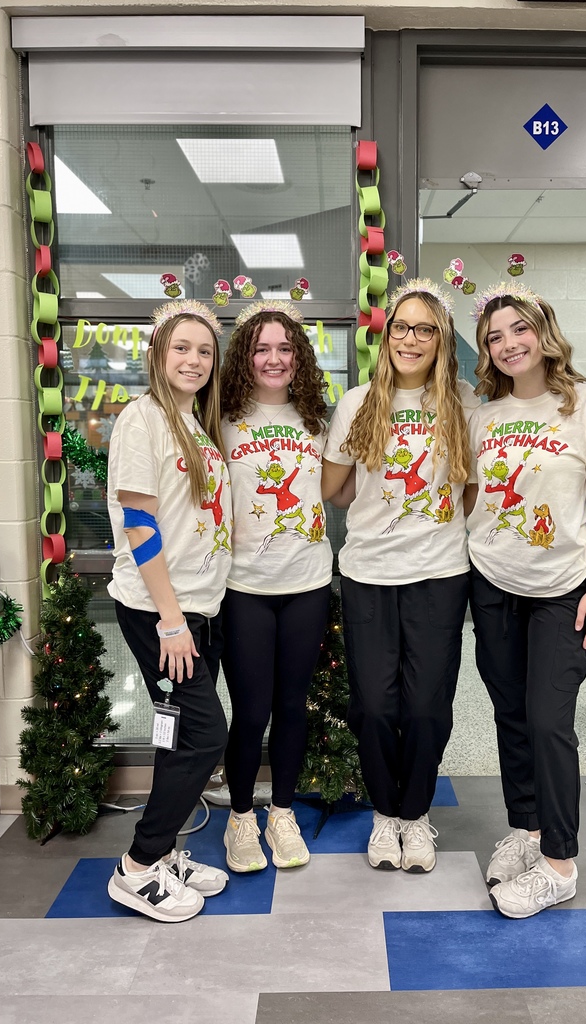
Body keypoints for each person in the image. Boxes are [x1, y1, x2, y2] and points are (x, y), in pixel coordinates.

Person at [466, 281, 586, 919]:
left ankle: (560, 862)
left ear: (544, 331)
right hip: (493, 580)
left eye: (519, 330)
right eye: (494, 337)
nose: (509, 345)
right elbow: (475, 494)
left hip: (564, 589)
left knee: (550, 718)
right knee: (511, 712)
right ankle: (526, 829)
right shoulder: (482, 413)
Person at [322, 279, 480, 873]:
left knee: (426, 707)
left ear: (442, 340)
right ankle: (385, 815)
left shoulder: (463, 403)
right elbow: (335, 490)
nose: (410, 339)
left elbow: (470, 493)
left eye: (425, 329)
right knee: (375, 705)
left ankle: (416, 815)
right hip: (367, 574)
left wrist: (428, 526)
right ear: (385, 337)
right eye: (401, 328)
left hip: (440, 575)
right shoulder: (356, 404)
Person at [106, 298, 232, 923]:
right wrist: (172, 622)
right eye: (181, 347)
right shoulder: (143, 420)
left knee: (177, 732)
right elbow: (139, 526)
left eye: (204, 350)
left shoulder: (196, 424)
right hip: (163, 614)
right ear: (158, 353)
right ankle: (136, 867)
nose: (194, 360)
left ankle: (163, 855)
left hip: (196, 610)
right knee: (207, 735)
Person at [218, 299, 332, 872]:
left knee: (293, 706)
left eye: (285, 348)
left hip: (308, 583)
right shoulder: (222, 419)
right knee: (251, 708)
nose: (274, 358)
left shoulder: (317, 420)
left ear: (299, 357)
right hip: (244, 588)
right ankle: (241, 818)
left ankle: (281, 813)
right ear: (245, 356)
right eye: (262, 348)